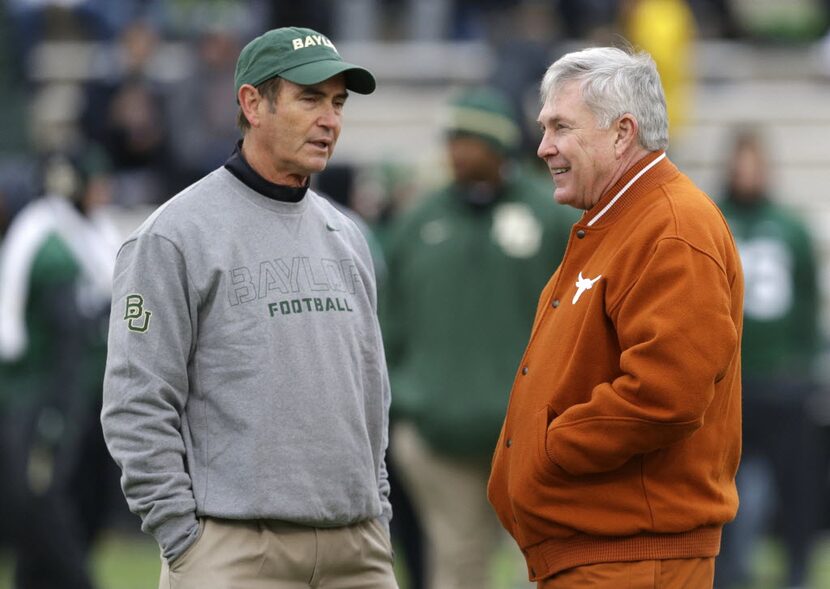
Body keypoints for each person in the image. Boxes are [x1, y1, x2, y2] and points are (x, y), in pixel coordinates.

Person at [100, 27, 397, 589]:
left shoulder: (348, 235)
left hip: (357, 549)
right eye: (310, 98)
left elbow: (371, 392)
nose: (330, 119)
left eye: (337, 103)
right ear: (252, 103)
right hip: (233, 550)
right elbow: (136, 402)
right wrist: (183, 539)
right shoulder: (173, 236)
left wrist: (376, 512)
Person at [486, 46, 744, 589]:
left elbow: (666, 393)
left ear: (623, 132)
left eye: (560, 127)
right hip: (602, 557)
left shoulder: (673, 226)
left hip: (631, 561)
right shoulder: (621, 218)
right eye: (543, 127)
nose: (543, 147)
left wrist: (551, 448)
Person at [382, 86, 576, 589]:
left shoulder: (550, 217)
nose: (456, 152)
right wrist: (406, 404)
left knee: (547, 566)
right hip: (438, 437)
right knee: (456, 565)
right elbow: (388, 325)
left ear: (498, 148)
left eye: (467, 140)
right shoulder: (416, 223)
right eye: (451, 140)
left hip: (534, 440)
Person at [0, 144, 121, 589]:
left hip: (82, 394)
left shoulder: (90, 237)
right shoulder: (48, 247)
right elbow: (65, 342)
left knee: (85, 500)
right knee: (45, 501)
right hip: (46, 399)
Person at [714, 129, 822, 589]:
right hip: (729, 384)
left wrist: (802, 369)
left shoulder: (790, 228)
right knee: (718, 488)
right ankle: (723, 573)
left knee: (797, 486)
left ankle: (796, 570)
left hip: (780, 382)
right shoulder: (711, 219)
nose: (749, 174)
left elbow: (806, 302)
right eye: (742, 163)